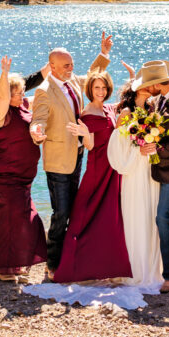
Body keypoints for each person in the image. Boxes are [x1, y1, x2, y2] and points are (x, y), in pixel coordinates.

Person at [29, 44, 111, 278]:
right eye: (66, 66)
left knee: (73, 210)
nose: (71, 69)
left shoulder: (72, 80)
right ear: (52, 67)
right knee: (61, 213)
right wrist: (36, 131)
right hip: (57, 160)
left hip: (77, 154)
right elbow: (39, 118)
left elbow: (93, 75)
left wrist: (104, 54)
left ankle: (69, 256)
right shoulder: (44, 90)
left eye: (72, 64)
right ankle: (52, 264)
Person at [54, 70, 132, 283]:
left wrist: (132, 79)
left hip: (113, 168)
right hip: (97, 170)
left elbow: (122, 115)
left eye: (104, 88)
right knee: (82, 215)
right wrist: (86, 136)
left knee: (109, 219)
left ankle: (108, 267)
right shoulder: (87, 113)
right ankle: (71, 267)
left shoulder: (109, 108)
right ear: (90, 89)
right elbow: (90, 145)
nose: (100, 91)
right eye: (97, 87)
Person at [131, 60, 169, 293]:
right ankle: (164, 270)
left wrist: (157, 148)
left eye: (149, 84)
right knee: (162, 218)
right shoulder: (155, 102)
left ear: (157, 84)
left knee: (164, 217)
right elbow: (143, 128)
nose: (147, 88)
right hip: (155, 170)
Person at [0, 56, 47, 281]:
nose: (22, 96)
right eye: (18, 93)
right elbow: (1, 96)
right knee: (12, 221)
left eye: (22, 92)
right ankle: (4, 268)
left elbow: (44, 92)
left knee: (20, 220)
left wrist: (53, 68)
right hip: (8, 174)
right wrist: (4, 72)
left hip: (25, 175)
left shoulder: (22, 106)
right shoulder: (1, 112)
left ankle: (14, 264)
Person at [107, 77, 163, 289]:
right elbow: (117, 145)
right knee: (136, 216)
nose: (151, 86)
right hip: (133, 171)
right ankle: (134, 271)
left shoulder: (153, 112)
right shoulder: (126, 114)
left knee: (151, 215)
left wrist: (154, 146)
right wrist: (137, 151)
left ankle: (151, 269)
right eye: (147, 83)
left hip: (151, 170)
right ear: (136, 88)